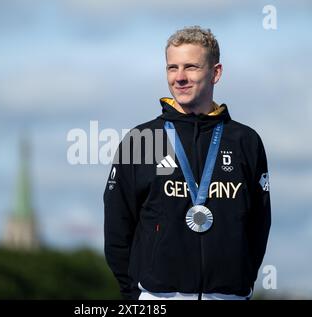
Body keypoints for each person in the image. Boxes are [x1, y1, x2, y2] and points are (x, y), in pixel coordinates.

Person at [103, 26, 271, 300]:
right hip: (158, 297)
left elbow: (259, 224)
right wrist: (135, 295)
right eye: (172, 68)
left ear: (216, 72)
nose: (179, 77)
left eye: (191, 67)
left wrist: (238, 286)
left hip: (227, 296)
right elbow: (117, 226)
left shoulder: (245, 141)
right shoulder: (142, 139)